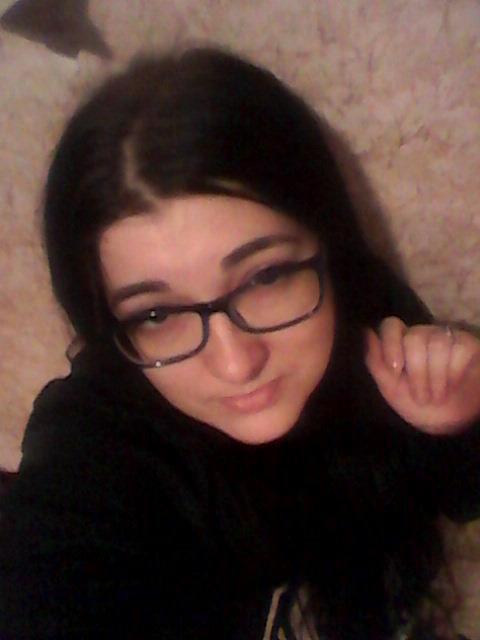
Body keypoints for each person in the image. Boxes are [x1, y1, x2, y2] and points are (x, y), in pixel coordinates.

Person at [0, 47, 479, 640]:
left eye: (265, 277)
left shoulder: (364, 318)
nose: (235, 363)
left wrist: (461, 419)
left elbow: (462, 491)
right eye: (156, 314)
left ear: (326, 243)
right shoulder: (94, 443)